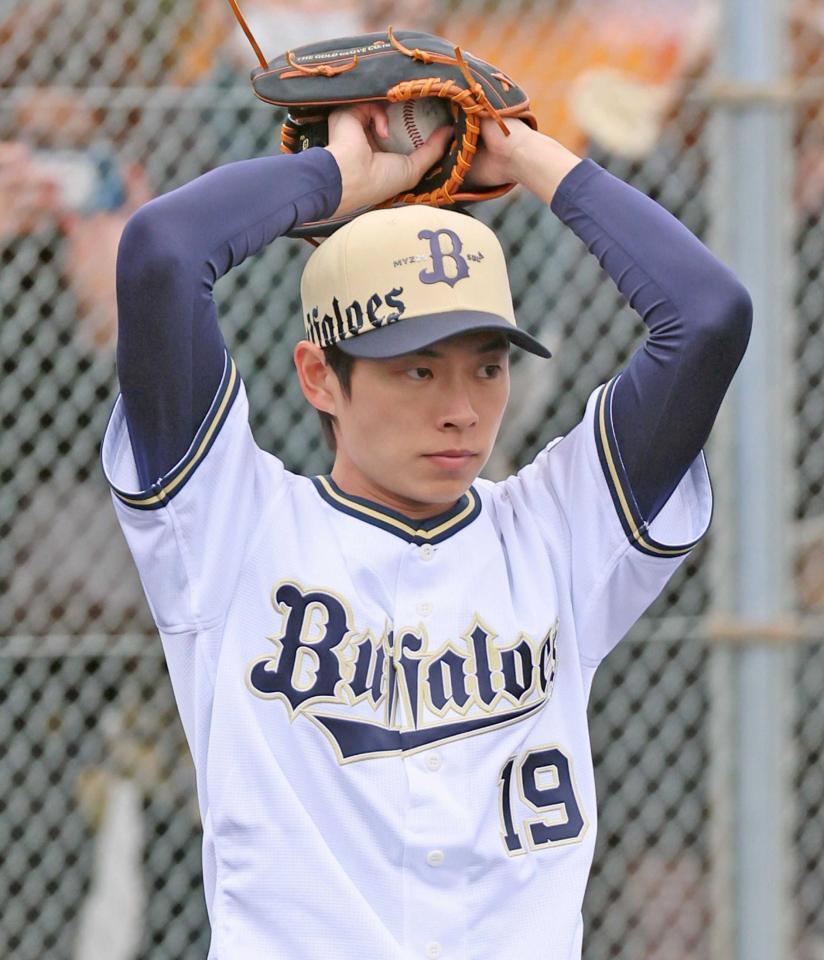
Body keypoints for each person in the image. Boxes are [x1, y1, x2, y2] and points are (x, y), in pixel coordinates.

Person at [102, 102, 751, 959]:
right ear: (319, 377)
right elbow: (163, 252)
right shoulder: (228, 527)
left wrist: (525, 154)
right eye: (417, 369)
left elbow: (706, 316)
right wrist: (336, 178)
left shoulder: (560, 531)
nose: (461, 410)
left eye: (488, 367)